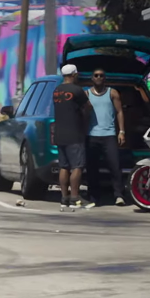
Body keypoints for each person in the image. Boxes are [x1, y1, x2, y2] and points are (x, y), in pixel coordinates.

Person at [82, 67, 126, 208]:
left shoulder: (112, 93)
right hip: (92, 136)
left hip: (109, 135)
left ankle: (119, 195)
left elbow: (119, 111)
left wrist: (122, 131)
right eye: (96, 75)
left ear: (105, 78)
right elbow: (82, 114)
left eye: (101, 75)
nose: (99, 77)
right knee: (92, 168)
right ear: (92, 78)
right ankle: (94, 196)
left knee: (115, 165)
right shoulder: (87, 94)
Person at [50, 66, 89, 209]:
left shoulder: (56, 91)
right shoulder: (77, 90)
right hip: (74, 133)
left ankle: (64, 197)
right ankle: (75, 197)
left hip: (60, 133)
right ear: (74, 74)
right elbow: (88, 107)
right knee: (77, 166)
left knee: (64, 167)